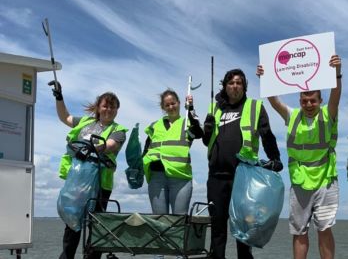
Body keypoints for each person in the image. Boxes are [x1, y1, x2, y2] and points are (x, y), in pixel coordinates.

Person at [257, 54, 342, 259]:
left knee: (324, 229)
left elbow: (336, 94)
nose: (309, 104)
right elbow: (275, 102)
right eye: (305, 100)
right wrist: (265, 79)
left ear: (320, 101)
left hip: (325, 181)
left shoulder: (328, 113)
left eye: (313, 100)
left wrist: (336, 73)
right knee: (299, 231)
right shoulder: (293, 115)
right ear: (300, 101)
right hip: (299, 181)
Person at [203, 69, 283, 259]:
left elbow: (267, 135)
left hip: (244, 178)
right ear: (225, 86)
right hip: (216, 177)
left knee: (244, 228)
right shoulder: (214, 108)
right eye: (231, 83)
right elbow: (207, 141)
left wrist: (275, 158)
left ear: (244, 86)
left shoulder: (255, 106)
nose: (235, 86)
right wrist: (206, 129)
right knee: (218, 226)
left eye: (239, 83)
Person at [48, 81, 128, 259]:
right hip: (77, 181)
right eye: (106, 105)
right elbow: (65, 117)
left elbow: (111, 144)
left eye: (113, 107)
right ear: (99, 107)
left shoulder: (119, 130)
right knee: (72, 222)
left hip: (100, 184)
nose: (109, 109)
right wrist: (59, 97)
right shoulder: (84, 122)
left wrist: (93, 148)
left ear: (117, 110)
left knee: (97, 226)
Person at [142, 89, 203, 259]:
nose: (171, 107)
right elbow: (145, 150)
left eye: (173, 103)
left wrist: (191, 109)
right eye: (167, 104)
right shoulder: (154, 126)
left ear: (179, 103)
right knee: (159, 223)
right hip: (157, 178)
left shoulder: (187, 122)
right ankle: (159, 256)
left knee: (179, 222)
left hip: (180, 179)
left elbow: (199, 133)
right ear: (163, 107)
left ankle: (179, 256)